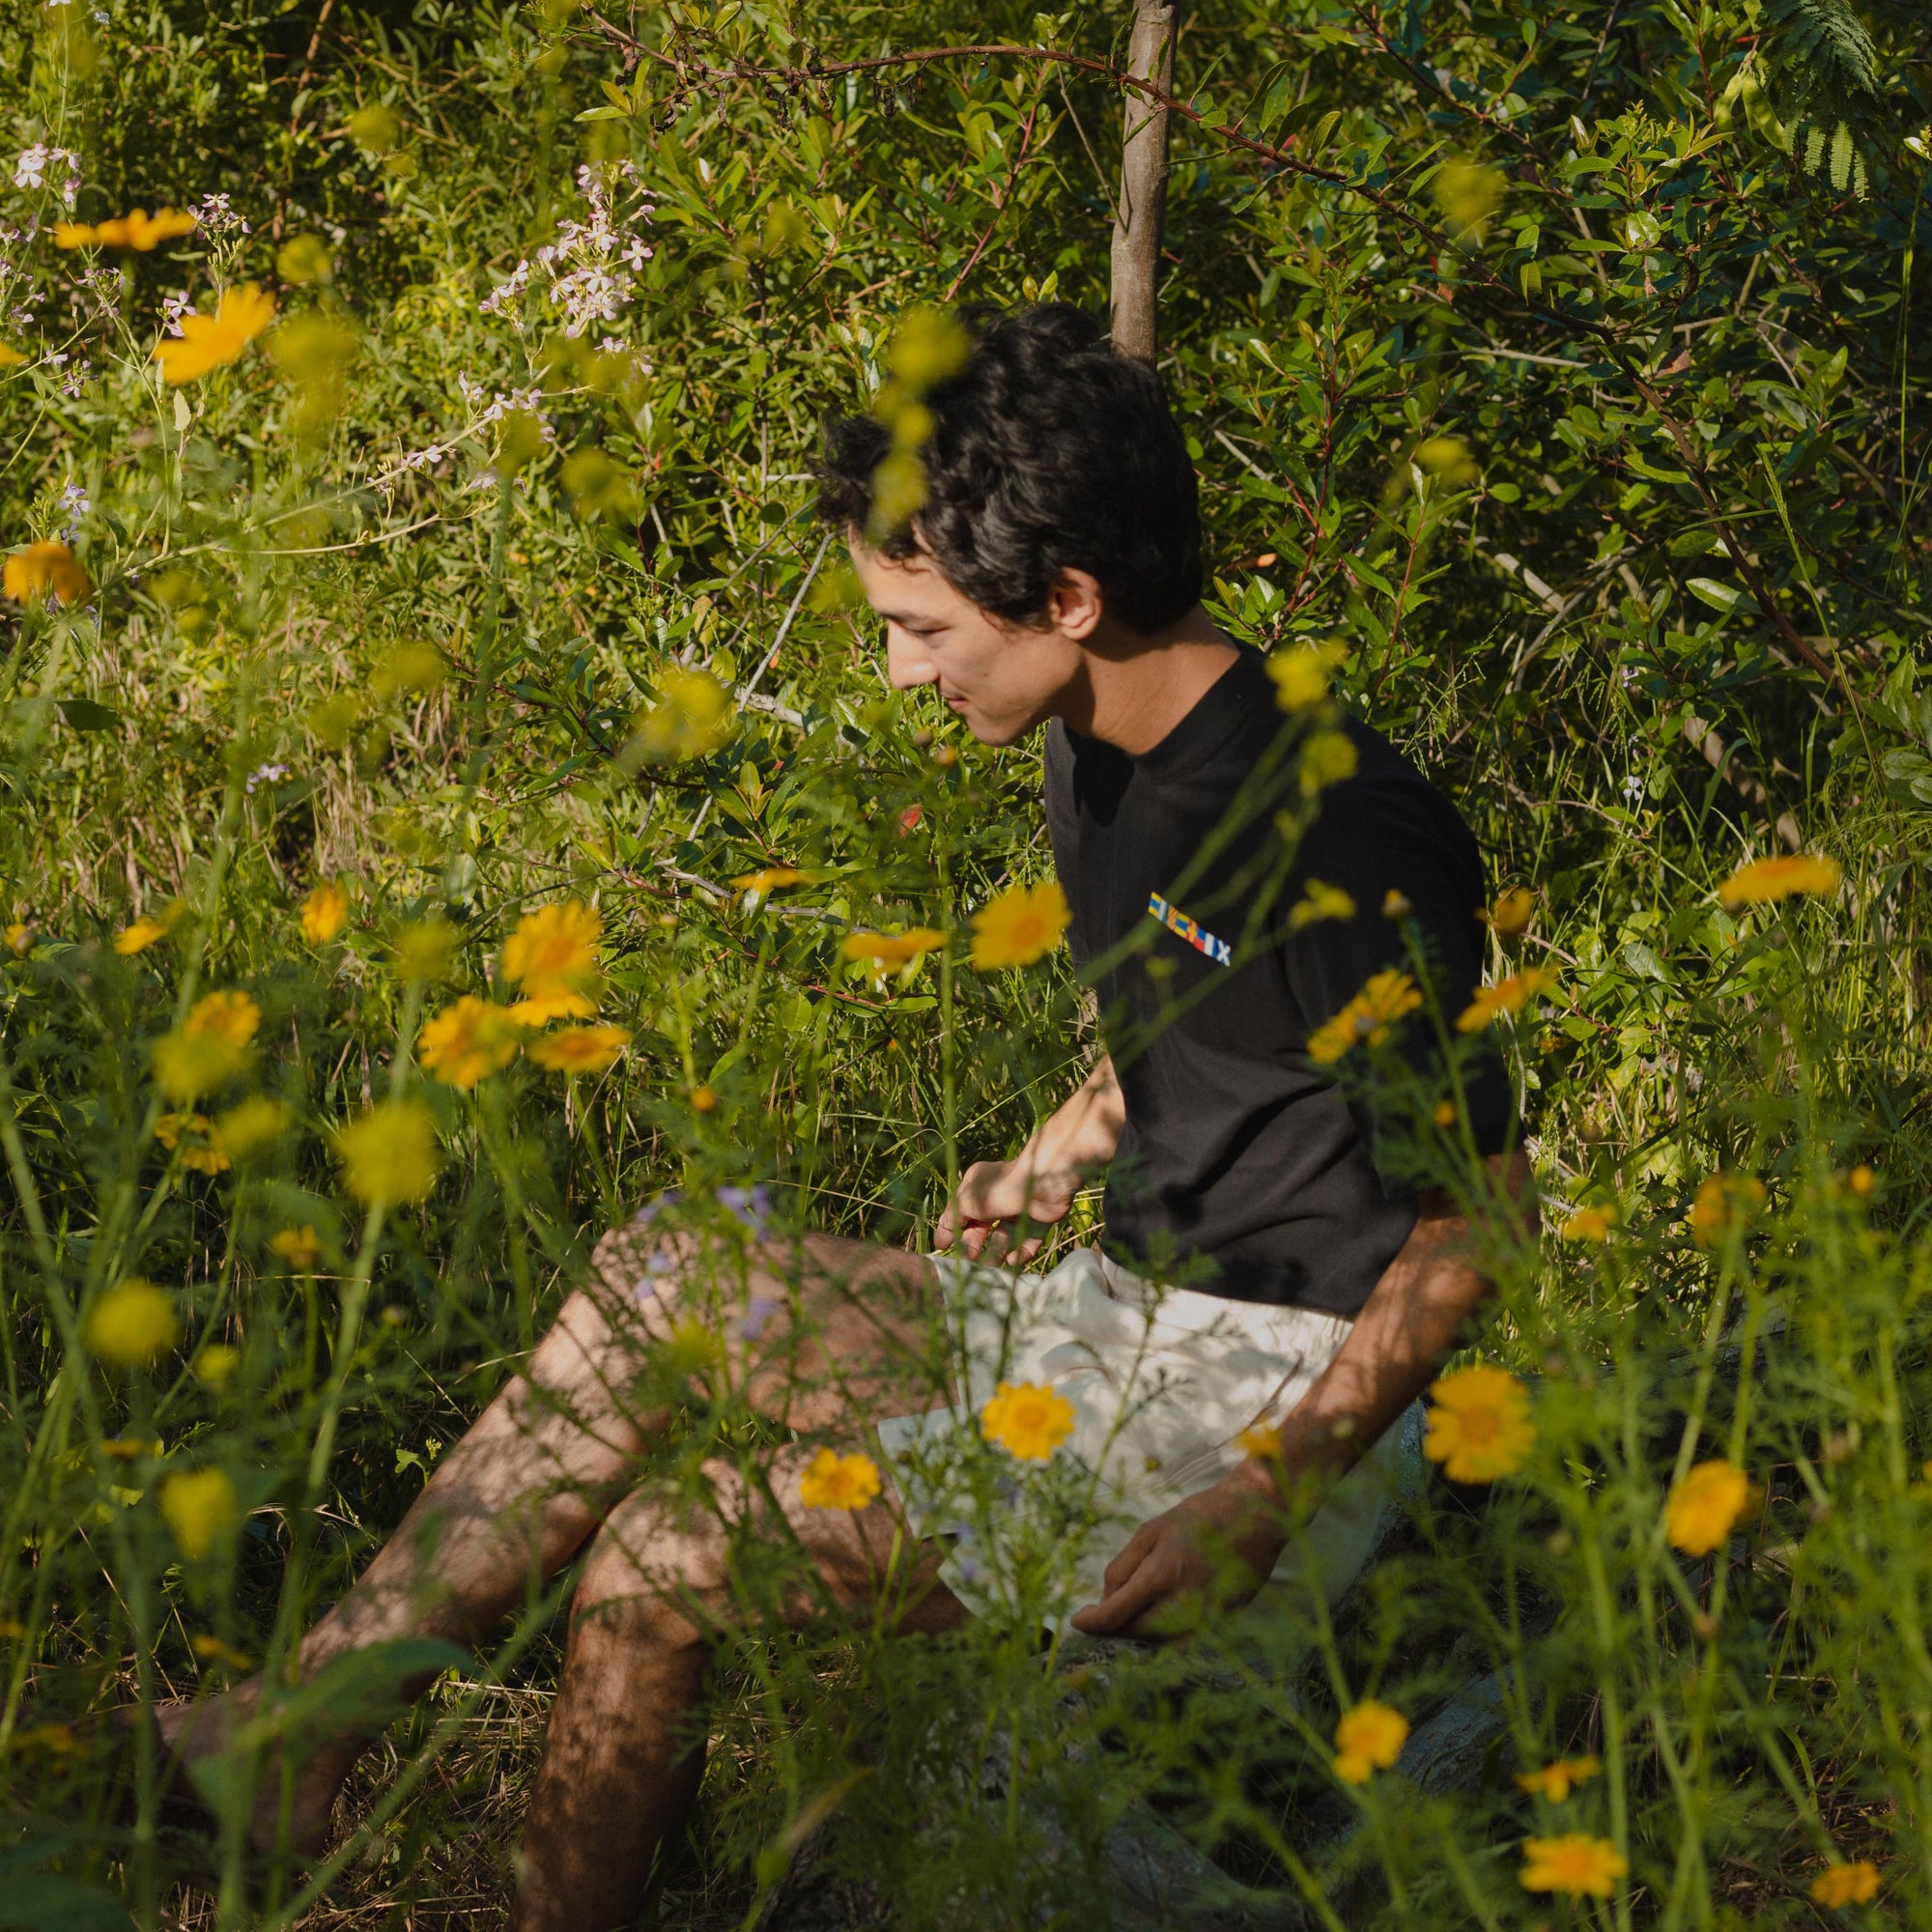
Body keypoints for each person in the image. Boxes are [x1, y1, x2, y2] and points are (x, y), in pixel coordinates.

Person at [158, 303, 1530, 1931]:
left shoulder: (1339, 828)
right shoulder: (1091, 745)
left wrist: (1262, 1491)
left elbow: (1476, 1220)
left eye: (922, 627)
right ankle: (298, 1731)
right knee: (665, 1273)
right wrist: (1055, 1154)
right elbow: (1210, 1033)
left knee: (669, 1557)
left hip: (1268, 1398)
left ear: (1070, 600)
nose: (897, 669)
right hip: (1118, 1325)